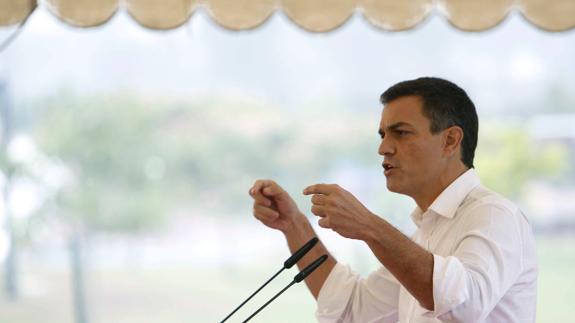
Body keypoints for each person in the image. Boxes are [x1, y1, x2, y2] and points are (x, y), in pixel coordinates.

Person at [248, 77, 537, 322]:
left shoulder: (493, 215)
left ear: (450, 141)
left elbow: (464, 305)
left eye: (401, 133)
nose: (383, 148)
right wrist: (293, 224)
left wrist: (369, 227)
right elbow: (353, 310)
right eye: (383, 134)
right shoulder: (424, 234)